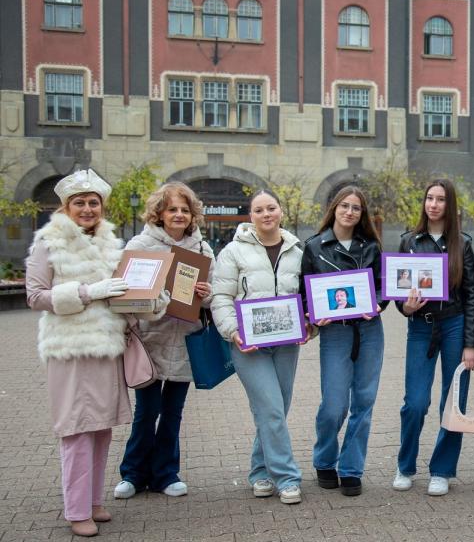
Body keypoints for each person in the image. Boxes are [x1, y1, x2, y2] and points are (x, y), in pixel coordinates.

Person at [25, 169, 168, 537]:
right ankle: (76, 510)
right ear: (66, 207)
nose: (87, 208)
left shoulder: (111, 245)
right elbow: (36, 296)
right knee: (76, 429)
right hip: (70, 349)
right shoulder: (48, 243)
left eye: (93, 202)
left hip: (107, 348)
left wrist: (152, 299)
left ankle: (92, 501)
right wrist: (88, 292)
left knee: (101, 429)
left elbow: (122, 296)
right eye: (79, 202)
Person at [114, 182, 215, 501]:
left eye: (185, 210)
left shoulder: (203, 249)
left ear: (193, 215)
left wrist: (206, 295)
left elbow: (213, 295)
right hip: (150, 341)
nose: (179, 215)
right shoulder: (140, 245)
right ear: (159, 213)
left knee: (173, 412)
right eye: (172, 209)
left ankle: (166, 474)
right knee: (147, 411)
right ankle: (133, 474)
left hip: (185, 341)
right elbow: (124, 294)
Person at [211, 190, 306, 505]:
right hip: (248, 345)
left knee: (275, 409)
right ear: (250, 216)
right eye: (259, 210)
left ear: (281, 211)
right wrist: (232, 330)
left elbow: (307, 298)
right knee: (271, 408)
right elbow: (221, 296)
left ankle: (260, 471)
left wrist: (311, 325)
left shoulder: (297, 251)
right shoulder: (233, 251)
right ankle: (287, 477)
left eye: (271, 208)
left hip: (287, 344)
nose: (266, 214)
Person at [392, 178, 474, 497]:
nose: (433, 204)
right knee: (415, 403)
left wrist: (471, 343)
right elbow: (399, 292)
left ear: (449, 204)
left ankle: (442, 470)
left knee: (453, 399)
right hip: (421, 326)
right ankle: (405, 466)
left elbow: (472, 296)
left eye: (440, 199)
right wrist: (405, 307)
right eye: (429, 198)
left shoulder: (463, 244)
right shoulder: (408, 241)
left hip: (455, 325)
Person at [300, 186, 388, 496]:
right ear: (334, 208)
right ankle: (324, 459)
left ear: (362, 214)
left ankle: (351, 468)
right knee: (334, 404)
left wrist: (378, 303)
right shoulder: (314, 247)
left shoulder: (371, 247)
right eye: (345, 206)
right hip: (335, 332)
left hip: (369, 330)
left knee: (364, 402)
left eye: (356, 208)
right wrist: (312, 313)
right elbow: (304, 292)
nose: (350, 212)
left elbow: (382, 286)